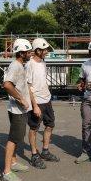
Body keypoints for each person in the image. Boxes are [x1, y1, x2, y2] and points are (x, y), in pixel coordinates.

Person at [1, 38, 34, 181]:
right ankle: (7, 172)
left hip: (19, 109)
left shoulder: (20, 65)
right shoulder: (16, 65)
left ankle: (13, 162)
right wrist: (20, 99)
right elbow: (7, 85)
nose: (30, 54)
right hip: (17, 110)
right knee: (13, 139)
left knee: (17, 138)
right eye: (28, 51)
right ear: (21, 53)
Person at [26, 38, 60, 169]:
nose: (46, 52)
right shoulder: (29, 65)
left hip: (47, 100)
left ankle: (45, 151)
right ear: (38, 50)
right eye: (44, 50)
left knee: (50, 125)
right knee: (34, 128)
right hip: (37, 102)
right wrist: (34, 106)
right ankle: (34, 155)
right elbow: (28, 86)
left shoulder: (43, 62)